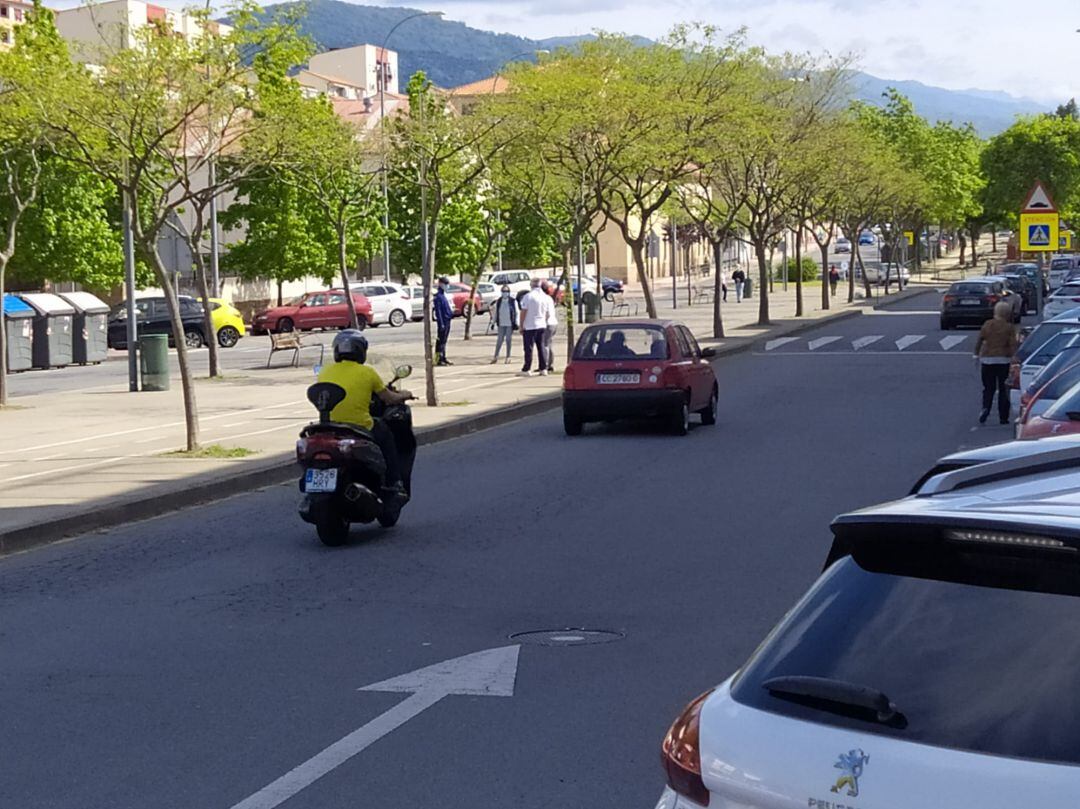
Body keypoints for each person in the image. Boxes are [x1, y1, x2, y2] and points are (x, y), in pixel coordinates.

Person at [316, 330, 413, 498]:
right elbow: (388, 398)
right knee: (387, 436)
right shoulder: (368, 373)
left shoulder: (325, 372)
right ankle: (394, 481)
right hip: (359, 426)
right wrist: (405, 395)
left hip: (328, 426)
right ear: (361, 351)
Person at [973, 301, 1018, 425]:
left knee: (988, 388)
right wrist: (1015, 357)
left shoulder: (987, 324)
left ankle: (985, 408)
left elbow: (980, 340)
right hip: (1004, 360)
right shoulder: (1009, 327)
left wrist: (976, 354)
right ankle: (1003, 417)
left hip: (987, 360)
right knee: (1004, 389)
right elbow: (1013, 344)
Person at [519, 278, 554, 376]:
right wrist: (544, 321)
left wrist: (521, 325)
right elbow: (547, 313)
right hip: (541, 325)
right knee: (541, 346)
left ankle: (527, 368)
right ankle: (543, 368)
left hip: (530, 326)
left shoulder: (528, 297)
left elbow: (523, 312)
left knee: (528, 348)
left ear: (531, 285)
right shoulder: (545, 297)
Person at [490, 285, 518, 364]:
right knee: (499, 340)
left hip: (509, 324)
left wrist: (517, 322)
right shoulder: (499, 301)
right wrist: (493, 322)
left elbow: (517, 312)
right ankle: (496, 356)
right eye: (503, 291)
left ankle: (508, 357)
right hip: (501, 323)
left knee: (508, 340)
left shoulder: (513, 301)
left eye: (506, 291)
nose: (505, 293)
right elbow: (496, 313)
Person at [433, 277, 454, 367]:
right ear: (441, 284)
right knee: (440, 342)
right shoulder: (438, 297)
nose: (447, 286)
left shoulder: (443, 295)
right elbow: (438, 312)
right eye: (446, 284)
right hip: (443, 322)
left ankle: (443, 357)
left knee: (444, 341)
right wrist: (440, 323)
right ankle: (438, 359)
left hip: (447, 320)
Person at [542, 281, 559, 372]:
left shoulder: (544, 298)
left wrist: (542, 322)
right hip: (553, 323)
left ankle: (545, 365)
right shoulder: (549, 298)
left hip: (547, 324)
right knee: (549, 344)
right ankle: (550, 364)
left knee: (544, 344)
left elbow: (546, 313)